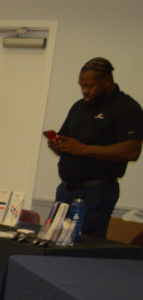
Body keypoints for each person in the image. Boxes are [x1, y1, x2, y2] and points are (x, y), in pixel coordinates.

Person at [48, 57, 143, 240]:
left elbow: (132, 151)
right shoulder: (79, 107)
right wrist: (58, 145)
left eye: (90, 86)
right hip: (65, 190)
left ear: (107, 82)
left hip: (94, 193)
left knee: (84, 245)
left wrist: (85, 149)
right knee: (54, 241)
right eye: (81, 85)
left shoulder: (126, 108)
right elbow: (68, 145)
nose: (84, 91)